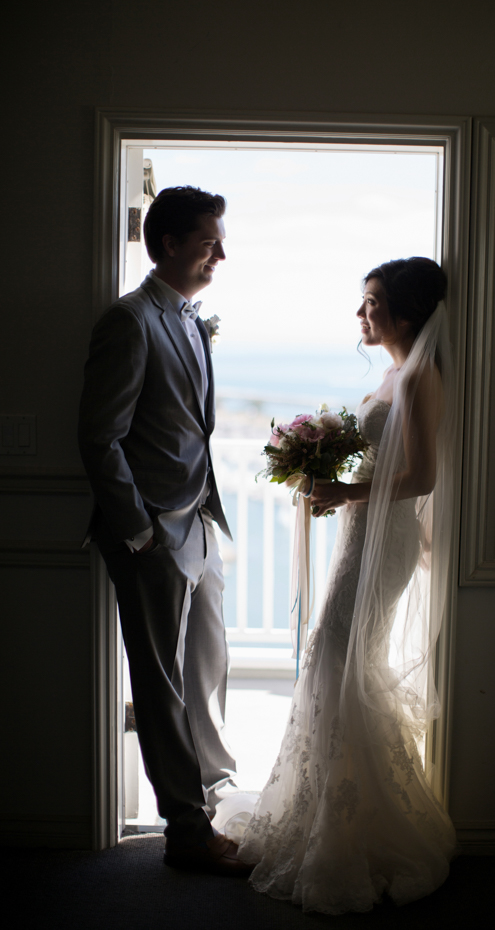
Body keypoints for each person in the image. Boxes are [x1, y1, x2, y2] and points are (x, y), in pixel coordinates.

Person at [233, 257, 457, 911]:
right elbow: (386, 467)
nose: (361, 313)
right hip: (358, 535)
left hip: (379, 545)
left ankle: (364, 827)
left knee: (337, 659)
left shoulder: (418, 378)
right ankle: (339, 815)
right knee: (339, 664)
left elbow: (421, 479)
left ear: (405, 314)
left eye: (372, 302)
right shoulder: (392, 373)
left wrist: (342, 488)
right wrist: (329, 474)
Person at [78, 186, 251, 876]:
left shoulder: (186, 317)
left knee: (208, 669)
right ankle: (187, 832)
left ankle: (213, 793)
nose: (221, 254)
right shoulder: (129, 319)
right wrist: (140, 531)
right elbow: (100, 437)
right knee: (161, 686)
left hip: (198, 524)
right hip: (151, 535)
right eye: (210, 242)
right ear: (171, 244)